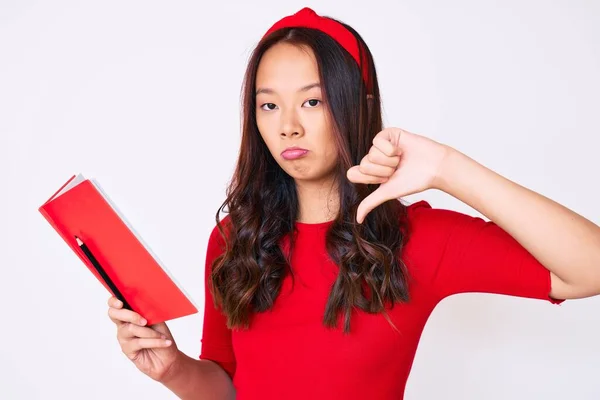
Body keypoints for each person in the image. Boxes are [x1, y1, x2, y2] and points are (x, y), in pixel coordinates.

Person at [106, 7, 600, 400]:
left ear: (357, 106)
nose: (288, 126)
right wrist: (172, 368)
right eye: (269, 104)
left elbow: (590, 267)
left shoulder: (417, 240)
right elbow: (229, 387)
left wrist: (448, 168)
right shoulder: (235, 240)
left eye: (313, 101)